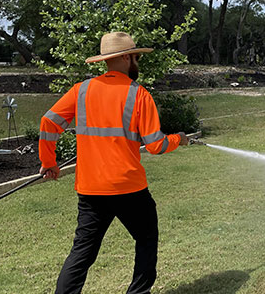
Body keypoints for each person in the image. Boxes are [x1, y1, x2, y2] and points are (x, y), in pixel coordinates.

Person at [38, 31, 189, 293]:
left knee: (82, 253)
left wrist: (49, 162)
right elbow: (155, 145)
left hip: (90, 188)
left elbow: (48, 123)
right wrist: (179, 139)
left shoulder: (80, 91)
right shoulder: (139, 94)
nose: (137, 64)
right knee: (146, 239)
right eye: (136, 58)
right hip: (129, 187)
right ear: (128, 57)